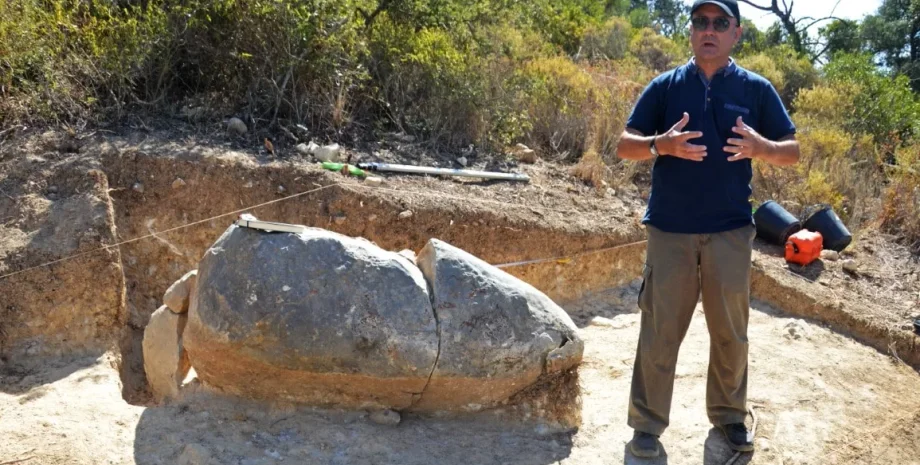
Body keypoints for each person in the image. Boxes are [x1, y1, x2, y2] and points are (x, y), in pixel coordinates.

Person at [615, 0, 800, 458]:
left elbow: (792, 151)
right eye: (700, 21)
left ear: (736, 32)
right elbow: (624, 145)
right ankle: (646, 426)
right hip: (670, 231)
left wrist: (761, 147)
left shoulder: (756, 89)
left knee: (731, 332)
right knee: (659, 331)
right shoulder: (665, 87)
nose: (709, 30)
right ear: (691, 30)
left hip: (730, 232)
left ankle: (730, 417)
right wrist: (660, 145)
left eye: (720, 23)